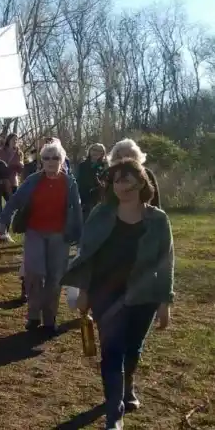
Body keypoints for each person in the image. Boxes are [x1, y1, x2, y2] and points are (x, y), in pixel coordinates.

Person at [61, 159, 174, 430]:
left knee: (132, 349)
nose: (122, 185)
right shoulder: (101, 214)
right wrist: (84, 292)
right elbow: (88, 254)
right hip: (106, 296)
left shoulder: (158, 219)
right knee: (112, 352)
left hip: (144, 296)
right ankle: (115, 413)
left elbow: (166, 261)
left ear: (141, 181)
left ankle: (127, 386)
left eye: (127, 179)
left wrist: (165, 301)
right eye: (116, 180)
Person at [0, 139, 82, 335]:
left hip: (60, 235)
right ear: (41, 160)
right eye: (46, 158)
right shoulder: (33, 180)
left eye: (55, 157)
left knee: (55, 278)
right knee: (34, 274)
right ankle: (33, 316)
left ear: (62, 160)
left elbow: (76, 210)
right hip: (35, 231)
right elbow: (14, 201)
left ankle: (49, 319)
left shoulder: (69, 183)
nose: (51, 161)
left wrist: (80, 235)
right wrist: (3, 220)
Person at [108, 138, 160, 209]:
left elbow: (154, 199)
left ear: (136, 156)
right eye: (120, 157)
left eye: (128, 156)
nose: (124, 159)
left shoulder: (146, 173)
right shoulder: (109, 173)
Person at [0, 133, 24, 243]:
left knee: (11, 207)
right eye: (13, 139)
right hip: (0, 183)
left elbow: (21, 169)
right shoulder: (1, 151)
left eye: (17, 139)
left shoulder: (19, 153)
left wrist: (20, 166)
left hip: (13, 182)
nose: (16, 141)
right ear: (8, 140)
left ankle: (5, 232)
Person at [76, 143, 109, 220]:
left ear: (103, 153)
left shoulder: (104, 166)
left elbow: (105, 182)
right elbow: (79, 180)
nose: (96, 152)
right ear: (90, 151)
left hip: (97, 198)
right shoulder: (82, 165)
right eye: (94, 150)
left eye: (99, 151)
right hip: (83, 197)